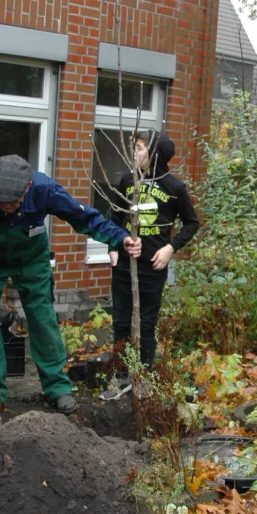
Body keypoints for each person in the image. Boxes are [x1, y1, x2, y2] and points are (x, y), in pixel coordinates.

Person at [0, 155, 142, 417]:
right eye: (1, 203)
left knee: (43, 319)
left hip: (32, 260)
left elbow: (84, 217)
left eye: (13, 203)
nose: (7, 207)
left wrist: (119, 239)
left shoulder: (44, 189)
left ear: (27, 188)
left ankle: (58, 388)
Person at [108, 130, 201, 368]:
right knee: (120, 322)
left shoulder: (174, 187)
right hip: (124, 264)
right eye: (135, 147)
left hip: (152, 266)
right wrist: (113, 246)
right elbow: (114, 218)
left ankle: (144, 376)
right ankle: (120, 375)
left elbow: (192, 223)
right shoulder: (128, 181)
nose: (134, 152)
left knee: (147, 324)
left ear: (154, 155)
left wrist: (171, 248)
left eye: (139, 148)